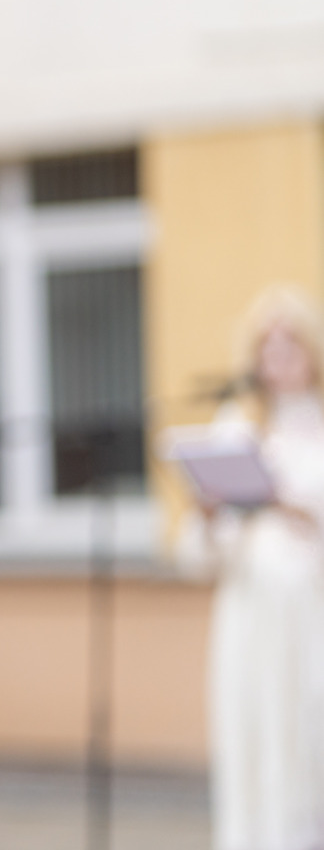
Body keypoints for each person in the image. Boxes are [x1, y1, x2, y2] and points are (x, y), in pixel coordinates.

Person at [194, 288, 324, 850]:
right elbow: (200, 559)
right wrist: (208, 514)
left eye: (288, 340)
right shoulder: (236, 430)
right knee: (252, 748)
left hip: (311, 622)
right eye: (266, 344)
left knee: (307, 747)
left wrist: (298, 509)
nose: (278, 354)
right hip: (249, 623)